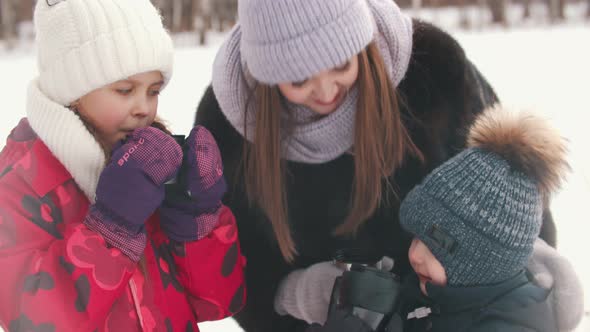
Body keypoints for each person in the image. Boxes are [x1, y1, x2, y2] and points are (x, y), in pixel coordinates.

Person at [194, 0, 556, 330]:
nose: (325, 91)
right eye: (299, 79)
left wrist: (536, 271)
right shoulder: (230, 125)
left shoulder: (432, 71)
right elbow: (236, 259)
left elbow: (504, 187)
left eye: (340, 64)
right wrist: (293, 296)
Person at [0, 0, 245, 331]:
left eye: (154, 90)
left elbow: (217, 301)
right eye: (125, 90)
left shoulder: (156, 165)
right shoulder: (23, 182)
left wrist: (199, 219)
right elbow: (28, 319)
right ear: (73, 90)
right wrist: (109, 228)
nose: (143, 107)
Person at [393, 107, 583, 331]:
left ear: (484, 264)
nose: (415, 255)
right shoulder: (435, 293)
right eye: (416, 236)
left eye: (438, 246)